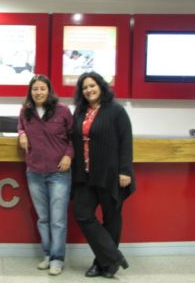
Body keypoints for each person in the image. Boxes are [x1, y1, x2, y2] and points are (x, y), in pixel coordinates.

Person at [71, 71, 135, 279]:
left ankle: (102, 264)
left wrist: (125, 170)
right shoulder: (80, 112)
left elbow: (126, 141)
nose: (89, 90)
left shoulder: (116, 111)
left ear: (101, 86)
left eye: (92, 85)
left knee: (112, 218)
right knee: (82, 213)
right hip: (84, 175)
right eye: (85, 87)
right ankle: (114, 257)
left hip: (110, 174)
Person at [17, 74, 74, 276]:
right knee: (43, 218)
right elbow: (20, 125)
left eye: (42, 88)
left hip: (58, 172)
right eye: (35, 89)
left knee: (57, 219)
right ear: (30, 92)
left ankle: (58, 259)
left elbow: (73, 137)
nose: (38, 92)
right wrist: (22, 134)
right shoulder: (27, 111)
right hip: (34, 172)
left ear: (49, 90)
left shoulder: (63, 110)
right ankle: (48, 255)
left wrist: (68, 155)